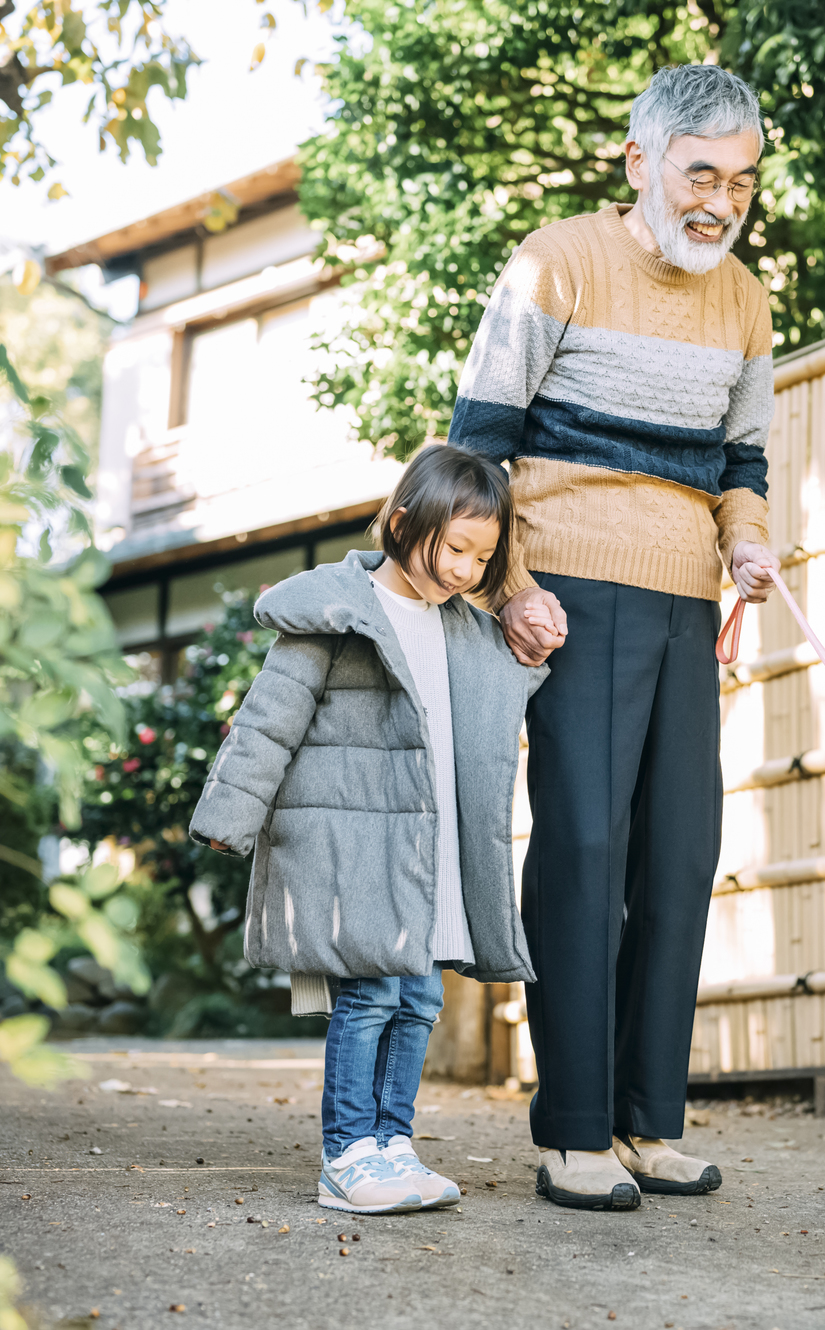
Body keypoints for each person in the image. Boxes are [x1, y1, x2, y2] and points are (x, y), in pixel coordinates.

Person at [448, 64, 782, 1211]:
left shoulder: (743, 298)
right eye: (700, 173)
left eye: (740, 181)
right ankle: (573, 1129)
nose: (719, 201)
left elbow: (744, 464)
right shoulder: (554, 261)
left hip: (687, 598)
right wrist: (510, 587)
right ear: (638, 162)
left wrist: (749, 542)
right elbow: (478, 449)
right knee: (585, 850)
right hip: (568, 596)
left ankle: (648, 1122)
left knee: (679, 857)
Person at [188, 446, 550, 1214]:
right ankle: (347, 1152)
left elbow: (504, 687)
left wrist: (534, 637)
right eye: (455, 548)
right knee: (371, 998)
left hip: (427, 849)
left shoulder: (463, 627)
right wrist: (229, 814)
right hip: (355, 846)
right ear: (401, 522)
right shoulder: (337, 613)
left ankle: (394, 1146)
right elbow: (269, 720)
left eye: (483, 557)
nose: (464, 568)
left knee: (419, 999)